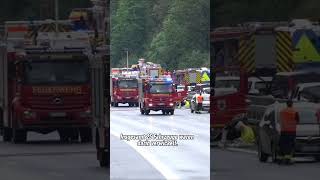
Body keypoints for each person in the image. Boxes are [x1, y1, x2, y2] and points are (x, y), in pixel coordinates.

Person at [278, 100, 299, 165]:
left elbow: (280, 120)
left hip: (283, 130)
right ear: (292, 104)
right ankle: (288, 159)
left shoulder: (282, 111)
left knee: (282, 144)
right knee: (290, 145)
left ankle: (281, 159)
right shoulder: (295, 112)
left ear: (286, 104)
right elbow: (297, 120)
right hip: (292, 131)